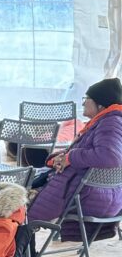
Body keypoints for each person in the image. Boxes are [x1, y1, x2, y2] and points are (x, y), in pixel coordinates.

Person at [29, 78, 122, 242]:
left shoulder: (111, 122)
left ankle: (21, 254)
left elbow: (110, 156)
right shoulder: (104, 121)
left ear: (100, 104)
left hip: (89, 197)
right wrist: (59, 158)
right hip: (98, 195)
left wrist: (70, 157)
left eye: (87, 99)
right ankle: (23, 253)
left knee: (21, 203)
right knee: (26, 189)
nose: (84, 103)